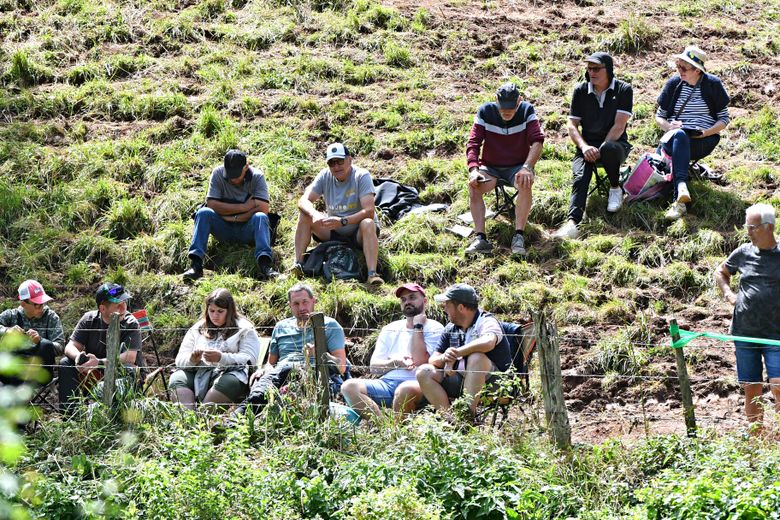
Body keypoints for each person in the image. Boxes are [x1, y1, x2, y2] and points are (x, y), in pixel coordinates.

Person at [233, 283, 347, 416]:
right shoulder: (281, 326)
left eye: (305, 302)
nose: (302, 308)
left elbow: (342, 367)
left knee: (287, 385)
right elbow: (271, 363)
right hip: (279, 373)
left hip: (311, 374)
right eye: (296, 304)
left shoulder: (330, 325)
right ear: (290, 306)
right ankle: (231, 423)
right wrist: (263, 370)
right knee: (259, 392)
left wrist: (320, 353)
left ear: (313, 301)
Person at [714, 203, 780, 430]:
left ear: (768, 227)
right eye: (747, 226)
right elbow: (721, 272)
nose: (748, 231)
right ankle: (756, 439)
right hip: (745, 332)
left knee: (779, 385)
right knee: (751, 387)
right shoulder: (743, 252)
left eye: (752, 227)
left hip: (776, 335)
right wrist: (728, 294)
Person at [556, 52, 633, 239]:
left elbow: (619, 125)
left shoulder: (624, 89)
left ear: (609, 70)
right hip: (587, 146)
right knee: (581, 176)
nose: (592, 72)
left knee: (608, 150)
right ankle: (572, 222)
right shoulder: (580, 90)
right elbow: (571, 125)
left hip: (615, 144)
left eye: (597, 68)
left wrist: (602, 147)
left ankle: (615, 188)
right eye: (589, 68)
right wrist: (583, 147)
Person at [340, 283, 444, 420]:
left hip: (418, 384)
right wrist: (395, 363)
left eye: (412, 297)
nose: (407, 302)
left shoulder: (435, 328)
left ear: (425, 301)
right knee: (348, 386)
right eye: (403, 299)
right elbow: (374, 368)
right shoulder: (390, 328)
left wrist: (417, 326)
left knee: (404, 390)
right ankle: (383, 427)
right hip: (386, 384)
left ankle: (396, 430)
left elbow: (420, 361)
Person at [409, 283, 511, 420]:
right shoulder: (450, 328)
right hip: (462, 381)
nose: (443, 308)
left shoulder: (486, 321)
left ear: (461, 307)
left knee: (477, 357)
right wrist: (446, 357)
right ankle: (451, 420)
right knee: (424, 371)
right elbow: (433, 359)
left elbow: (488, 342)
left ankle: (466, 418)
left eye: (446, 304)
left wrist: (457, 353)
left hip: (497, 384)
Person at [465, 82, 545, 256]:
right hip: (490, 167)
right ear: (496, 101)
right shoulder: (485, 111)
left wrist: (527, 167)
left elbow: (537, 141)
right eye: (503, 108)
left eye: (511, 108)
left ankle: (519, 236)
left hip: (518, 167)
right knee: (474, 185)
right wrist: (474, 170)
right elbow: (473, 143)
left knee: (525, 182)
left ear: (519, 101)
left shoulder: (526, 110)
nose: (506, 112)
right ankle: (481, 238)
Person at [655, 46, 730, 221]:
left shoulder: (713, 84)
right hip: (672, 138)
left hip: (701, 140)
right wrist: (669, 128)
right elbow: (659, 116)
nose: (679, 70)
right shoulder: (674, 84)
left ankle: (680, 195)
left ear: (697, 70)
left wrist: (706, 132)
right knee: (680, 135)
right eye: (678, 65)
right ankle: (680, 193)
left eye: (684, 67)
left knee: (683, 136)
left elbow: (724, 120)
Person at [293, 143, 383, 285]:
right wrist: (315, 214)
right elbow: (303, 200)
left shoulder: (361, 176)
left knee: (368, 223)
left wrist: (343, 221)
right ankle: (298, 263)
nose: (336, 167)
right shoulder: (324, 175)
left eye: (340, 161)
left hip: (358, 232)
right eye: (331, 163)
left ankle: (372, 273)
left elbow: (369, 212)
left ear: (349, 160)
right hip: (333, 230)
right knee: (305, 214)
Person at [183, 149, 278, 281]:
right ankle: (196, 265)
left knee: (260, 218)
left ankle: (265, 265)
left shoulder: (257, 177)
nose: (233, 179)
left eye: (236, 175)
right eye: (230, 175)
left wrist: (229, 214)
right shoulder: (217, 173)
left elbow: (263, 209)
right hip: (223, 229)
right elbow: (211, 204)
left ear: (246, 167)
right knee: (203, 213)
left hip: (247, 230)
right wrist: (244, 207)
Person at [58, 283, 144, 415]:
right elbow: (71, 346)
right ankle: (70, 416)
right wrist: (79, 358)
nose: (123, 308)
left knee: (128, 368)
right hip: (93, 374)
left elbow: (129, 357)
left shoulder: (130, 323)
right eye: (118, 305)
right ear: (103, 308)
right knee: (65, 363)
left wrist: (98, 362)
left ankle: (116, 417)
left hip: (122, 373)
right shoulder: (89, 319)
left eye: (124, 303)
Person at [168, 289, 260, 410]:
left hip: (231, 373)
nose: (215, 316)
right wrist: (192, 360)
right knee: (177, 377)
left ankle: (203, 417)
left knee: (228, 382)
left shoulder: (245, 328)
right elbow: (180, 359)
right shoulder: (198, 328)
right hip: (199, 371)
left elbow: (250, 359)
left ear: (230, 311)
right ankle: (188, 418)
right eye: (211, 311)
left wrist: (221, 358)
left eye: (220, 311)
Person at [0, 280, 64, 383]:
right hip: (12, 370)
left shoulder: (51, 317)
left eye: (42, 303)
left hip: (40, 371)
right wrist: (7, 331)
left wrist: (40, 341)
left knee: (45, 345)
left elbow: (60, 348)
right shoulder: (10, 316)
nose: (41, 308)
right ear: (23, 303)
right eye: (36, 305)